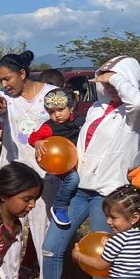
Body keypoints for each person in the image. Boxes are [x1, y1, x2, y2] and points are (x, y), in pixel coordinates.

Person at [25, 56, 140, 279]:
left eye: (112, 77)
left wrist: (115, 78)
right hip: (79, 190)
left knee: (102, 255)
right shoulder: (96, 108)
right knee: (52, 245)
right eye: (103, 77)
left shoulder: (138, 114)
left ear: (126, 78)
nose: (105, 83)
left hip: (110, 195)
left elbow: (139, 102)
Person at [0, 51, 57, 279]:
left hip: (44, 174)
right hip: (14, 173)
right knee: (10, 226)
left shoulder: (50, 95)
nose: (5, 85)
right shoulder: (5, 98)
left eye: (8, 79)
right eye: (1, 81)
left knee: (42, 228)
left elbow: (63, 121)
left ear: (22, 74)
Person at [27, 89, 84, 228]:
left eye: (60, 110)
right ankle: (60, 206)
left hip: (78, 161)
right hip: (61, 164)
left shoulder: (81, 121)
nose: (56, 115)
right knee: (73, 179)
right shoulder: (49, 127)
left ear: (71, 107)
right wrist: (38, 142)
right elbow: (33, 137)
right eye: (51, 112)